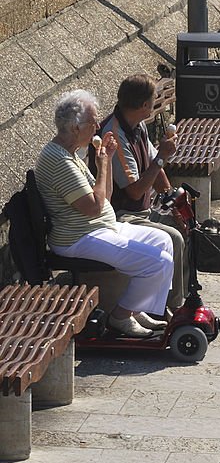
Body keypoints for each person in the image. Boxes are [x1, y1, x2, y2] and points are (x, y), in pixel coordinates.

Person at [34, 90, 174, 339]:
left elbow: (105, 197)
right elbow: (93, 207)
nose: (98, 126)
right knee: (158, 262)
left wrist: (105, 161)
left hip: (97, 227)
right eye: (93, 122)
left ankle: (136, 307)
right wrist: (102, 167)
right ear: (76, 128)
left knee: (163, 241)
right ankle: (120, 316)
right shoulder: (59, 161)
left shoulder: (70, 154)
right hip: (78, 238)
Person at [98, 74, 187, 313]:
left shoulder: (138, 125)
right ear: (145, 105)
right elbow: (135, 191)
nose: (154, 102)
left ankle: (163, 303)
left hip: (142, 210)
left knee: (186, 227)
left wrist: (172, 200)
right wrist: (162, 157)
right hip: (123, 215)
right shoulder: (115, 135)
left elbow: (152, 165)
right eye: (153, 99)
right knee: (174, 238)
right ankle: (173, 308)